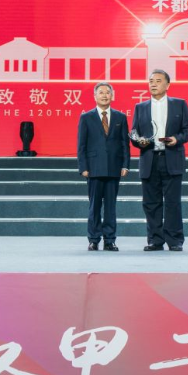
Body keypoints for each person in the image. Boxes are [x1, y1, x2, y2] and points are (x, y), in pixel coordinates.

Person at [130, 69, 188, 251]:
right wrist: (139, 141)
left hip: (171, 158)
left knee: (173, 202)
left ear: (167, 85)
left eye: (158, 81)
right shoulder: (140, 107)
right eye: (151, 81)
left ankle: (175, 240)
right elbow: (134, 133)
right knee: (151, 203)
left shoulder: (179, 104)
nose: (153, 84)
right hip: (149, 159)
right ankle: (155, 240)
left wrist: (177, 139)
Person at [76, 81, 130, 252]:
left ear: (112, 96)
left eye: (108, 92)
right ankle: (93, 240)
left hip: (114, 167)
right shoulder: (86, 117)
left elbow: (125, 143)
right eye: (101, 92)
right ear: (95, 96)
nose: (105, 95)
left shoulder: (120, 117)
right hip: (93, 168)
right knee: (94, 207)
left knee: (111, 207)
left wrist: (125, 165)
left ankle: (110, 240)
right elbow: (81, 145)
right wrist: (83, 167)